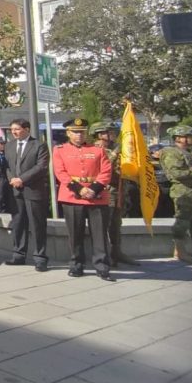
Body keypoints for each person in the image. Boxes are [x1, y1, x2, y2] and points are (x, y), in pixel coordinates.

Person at [53, 118, 114, 280]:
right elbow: (60, 172)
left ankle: (102, 267)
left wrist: (93, 189)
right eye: (75, 132)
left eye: (81, 132)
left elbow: (106, 171)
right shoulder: (60, 150)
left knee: (100, 234)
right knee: (75, 234)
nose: (79, 135)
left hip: (97, 197)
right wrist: (80, 189)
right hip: (72, 197)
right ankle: (76, 264)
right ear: (68, 133)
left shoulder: (98, 150)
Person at [90, 121, 139, 267]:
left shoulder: (118, 149)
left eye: (113, 132)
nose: (113, 135)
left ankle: (117, 252)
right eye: (108, 132)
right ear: (99, 134)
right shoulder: (94, 149)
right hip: (105, 191)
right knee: (104, 224)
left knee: (116, 224)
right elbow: (103, 168)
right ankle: (104, 255)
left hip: (119, 190)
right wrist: (117, 152)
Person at [4, 118, 50, 271]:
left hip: (33, 191)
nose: (14, 132)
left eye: (17, 129)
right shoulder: (9, 146)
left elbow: (41, 167)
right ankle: (18, 254)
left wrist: (22, 179)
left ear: (27, 129)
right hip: (15, 192)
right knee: (18, 224)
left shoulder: (39, 145)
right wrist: (12, 179)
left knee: (37, 225)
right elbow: (7, 166)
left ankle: (40, 258)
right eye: (12, 130)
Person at [159, 125, 192, 263]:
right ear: (179, 138)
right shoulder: (171, 152)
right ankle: (180, 252)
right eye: (189, 136)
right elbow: (176, 173)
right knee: (182, 222)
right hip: (184, 191)